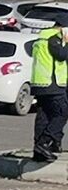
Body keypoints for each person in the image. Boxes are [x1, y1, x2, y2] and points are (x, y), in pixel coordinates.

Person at [31, 18, 68, 162]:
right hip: (52, 84)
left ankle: (39, 151)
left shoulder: (41, 37)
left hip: (40, 84)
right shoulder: (54, 38)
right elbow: (61, 56)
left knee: (44, 115)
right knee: (62, 112)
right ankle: (44, 143)